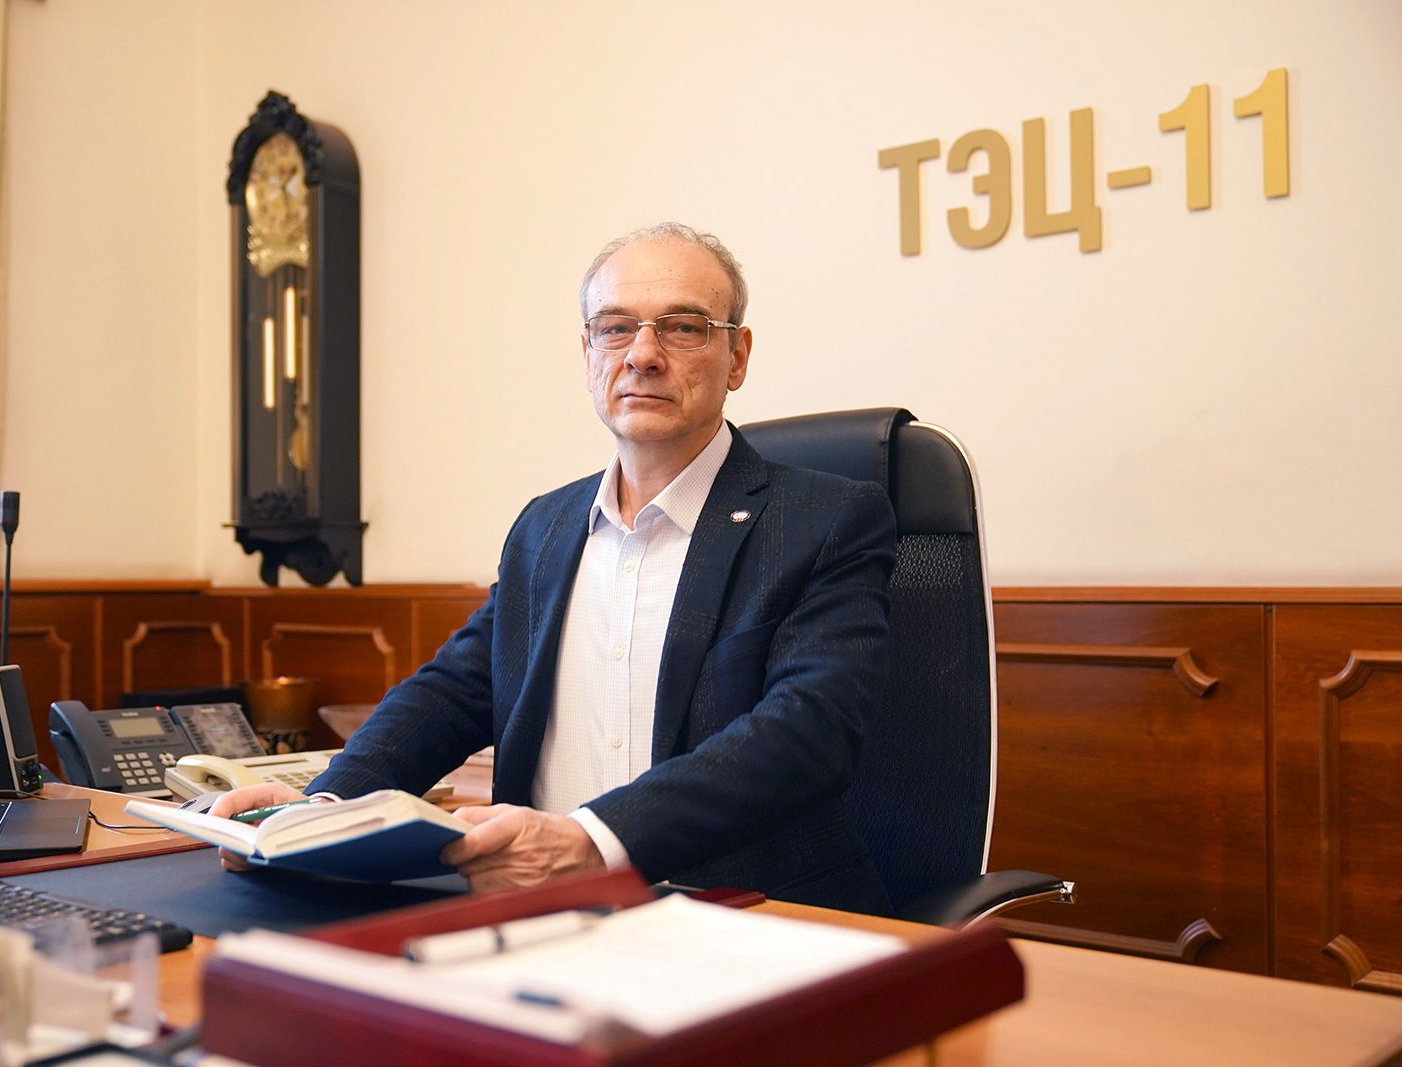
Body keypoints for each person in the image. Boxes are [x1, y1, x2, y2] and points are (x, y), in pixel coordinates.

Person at [212, 222, 897, 912]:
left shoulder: (824, 520)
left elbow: (807, 731)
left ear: (737, 356)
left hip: (744, 915)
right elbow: (454, 692)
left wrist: (593, 841)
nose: (643, 355)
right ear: (588, 352)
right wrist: (324, 808)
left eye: (684, 328)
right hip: (539, 913)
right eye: (615, 328)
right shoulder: (545, 527)